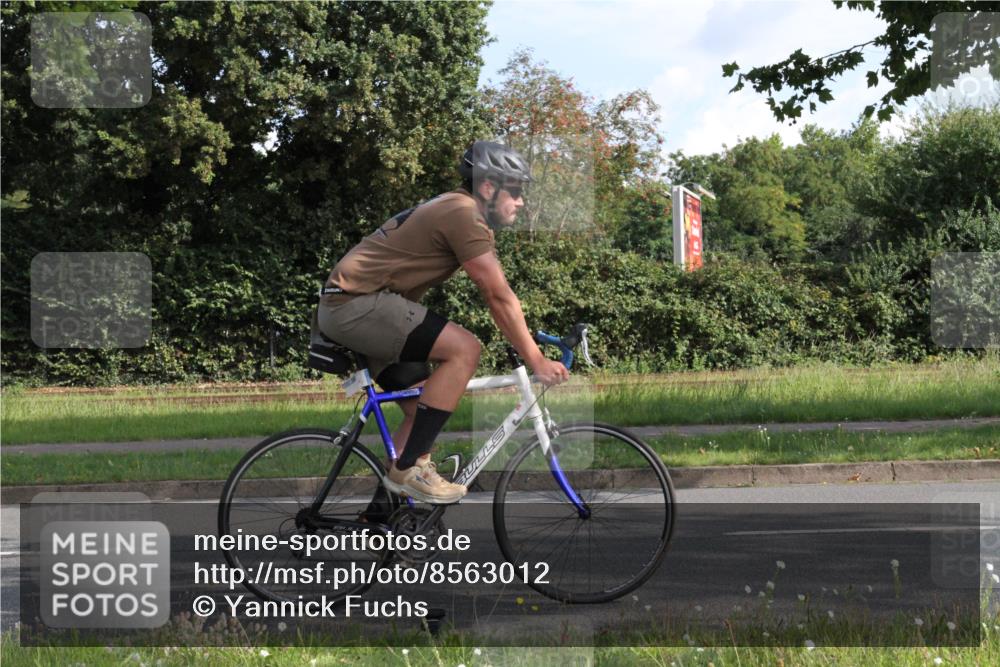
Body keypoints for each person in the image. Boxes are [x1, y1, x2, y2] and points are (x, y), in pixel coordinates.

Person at [315, 141, 570, 506]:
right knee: (465, 348)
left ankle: (380, 518)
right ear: (487, 187)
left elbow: (501, 295)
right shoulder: (464, 214)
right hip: (356, 304)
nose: (521, 202)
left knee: (423, 410)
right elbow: (497, 295)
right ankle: (409, 470)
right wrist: (537, 360)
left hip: (352, 305)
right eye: (515, 191)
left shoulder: (458, 210)